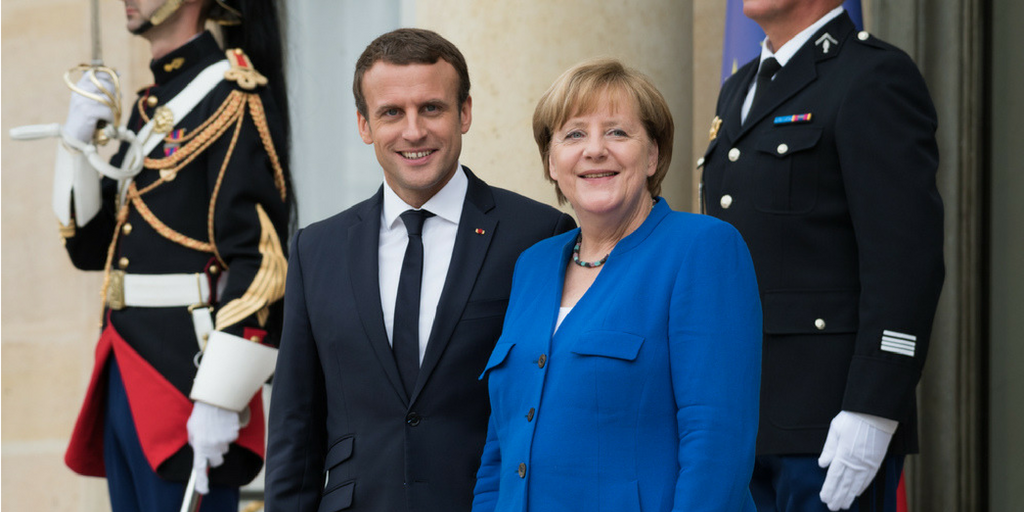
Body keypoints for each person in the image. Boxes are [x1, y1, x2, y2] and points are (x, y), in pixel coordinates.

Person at [263, 28, 575, 512]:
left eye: (431, 108)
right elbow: (294, 426)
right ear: (364, 126)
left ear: (464, 112)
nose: (413, 131)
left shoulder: (538, 234)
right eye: (391, 112)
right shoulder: (315, 249)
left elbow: (555, 403)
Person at [471, 58, 763, 512]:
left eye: (617, 132)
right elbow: (500, 448)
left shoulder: (702, 248)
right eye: (573, 134)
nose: (594, 150)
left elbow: (717, 444)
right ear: (551, 161)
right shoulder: (534, 264)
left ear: (652, 156)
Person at [699, 1, 944, 511]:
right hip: (743, 417)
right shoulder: (740, 86)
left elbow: (905, 261)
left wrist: (873, 408)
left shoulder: (873, 76)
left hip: (828, 424)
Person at [54, 0, 292, 510]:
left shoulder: (233, 95)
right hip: (123, 362)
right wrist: (74, 148)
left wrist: (220, 395)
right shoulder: (147, 107)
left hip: (186, 379)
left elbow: (262, 263)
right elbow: (88, 247)